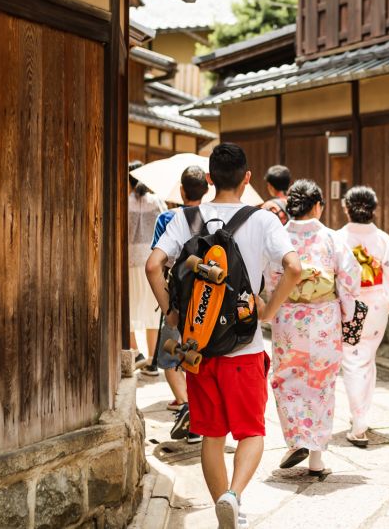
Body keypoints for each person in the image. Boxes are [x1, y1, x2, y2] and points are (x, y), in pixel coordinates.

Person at [147, 143, 302, 529]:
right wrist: (268, 309)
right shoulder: (264, 221)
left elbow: (153, 266)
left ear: (211, 179)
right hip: (243, 345)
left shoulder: (185, 218)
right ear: (247, 179)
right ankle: (234, 496)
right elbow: (294, 268)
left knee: (212, 434)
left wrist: (173, 313)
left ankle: (222, 508)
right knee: (251, 431)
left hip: (199, 349)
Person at [267, 179, 362, 476]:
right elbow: (349, 280)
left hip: (288, 320)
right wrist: (347, 315)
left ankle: (296, 441)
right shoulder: (332, 238)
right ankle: (316, 460)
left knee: (286, 380)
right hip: (324, 319)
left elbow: (269, 280)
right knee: (322, 386)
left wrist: (271, 308)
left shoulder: (278, 238)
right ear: (318, 205)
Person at [335, 186, 389, 447]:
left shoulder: (338, 238)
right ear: (374, 209)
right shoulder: (382, 240)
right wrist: (386, 296)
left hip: (350, 307)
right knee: (366, 359)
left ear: (346, 208)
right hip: (376, 307)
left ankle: (358, 422)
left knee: (354, 362)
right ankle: (362, 415)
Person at [151, 166, 209, 445]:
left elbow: (156, 263)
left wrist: (167, 310)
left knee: (171, 356)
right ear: (206, 190)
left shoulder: (167, 218)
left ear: (182, 191)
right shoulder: (214, 217)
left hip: (177, 299)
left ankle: (188, 406)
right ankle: (201, 416)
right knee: (203, 356)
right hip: (208, 300)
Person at [128, 161, 167, 377]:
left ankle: (136, 354)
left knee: (129, 308)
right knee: (154, 310)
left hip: (131, 261)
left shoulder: (124, 202)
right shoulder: (158, 201)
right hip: (153, 261)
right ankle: (153, 360)